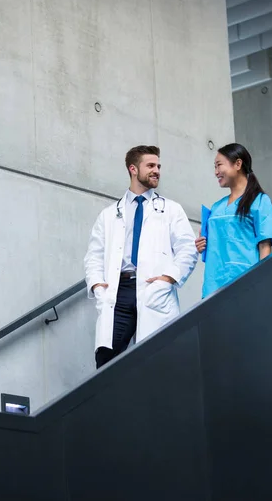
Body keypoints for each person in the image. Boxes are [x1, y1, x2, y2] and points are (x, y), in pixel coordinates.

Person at [84, 145, 198, 369]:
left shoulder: (171, 210)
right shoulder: (109, 215)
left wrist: (169, 279)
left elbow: (187, 249)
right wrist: (98, 286)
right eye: (151, 166)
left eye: (158, 166)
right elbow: (93, 256)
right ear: (133, 169)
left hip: (153, 289)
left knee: (158, 360)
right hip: (118, 292)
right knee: (106, 361)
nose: (157, 170)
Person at [196, 143, 272, 298]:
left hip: (246, 283)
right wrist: (202, 244)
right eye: (214, 167)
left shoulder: (260, 201)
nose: (216, 172)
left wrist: (263, 283)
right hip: (213, 285)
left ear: (238, 164)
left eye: (219, 165)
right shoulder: (216, 208)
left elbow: (265, 247)